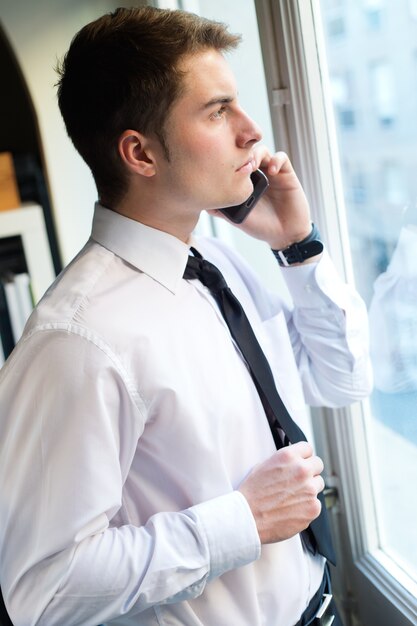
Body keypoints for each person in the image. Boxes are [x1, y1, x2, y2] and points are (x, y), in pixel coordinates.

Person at [0, 6, 372, 626]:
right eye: (218, 110)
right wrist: (241, 522)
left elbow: (341, 380)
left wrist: (297, 247)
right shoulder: (79, 340)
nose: (252, 132)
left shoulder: (220, 263)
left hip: (322, 601)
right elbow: (40, 589)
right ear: (140, 154)